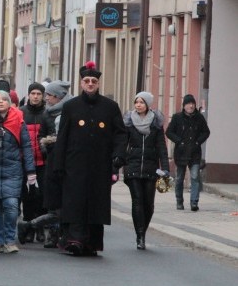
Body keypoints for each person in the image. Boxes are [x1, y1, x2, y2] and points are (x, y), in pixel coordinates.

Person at [52, 61, 127, 256]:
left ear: (99, 84)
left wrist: (118, 155)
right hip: (74, 164)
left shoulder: (110, 107)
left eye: (94, 81)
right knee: (75, 202)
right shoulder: (70, 106)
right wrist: (58, 164)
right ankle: (75, 240)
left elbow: (120, 134)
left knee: (96, 203)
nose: (91, 84)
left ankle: (92, 243)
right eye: (87, 81)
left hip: (100, 165)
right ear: (81, 84)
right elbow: (63, 137)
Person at [17, 80, 74, 249]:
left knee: (49, 200)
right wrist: (47, 145)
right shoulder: (45, 113)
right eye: (34, 93)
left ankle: (50, 233)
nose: (42, 98)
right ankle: (35, 228)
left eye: (44, 95)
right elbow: (41, 136)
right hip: (45, 160)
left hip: (58, 162)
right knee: (36, 198)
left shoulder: (68, 110)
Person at [0, 91, 35, 253]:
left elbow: (26, 147)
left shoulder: (18, 121)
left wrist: (30, 170)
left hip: (12, 170)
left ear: (9, 103)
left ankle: (10, 240)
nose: (1, 102)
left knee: (11, 205)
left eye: (4, 100)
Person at [120, 92, 169, 250]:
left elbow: (161, 146)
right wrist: (117, 162)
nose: (138, 105)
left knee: (149, 204)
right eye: (136, 102)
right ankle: (140, 235)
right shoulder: (129, 122)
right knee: (137, 201)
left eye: (141, 102)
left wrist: (166, 168)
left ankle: (143, 230)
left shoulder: (156, 123)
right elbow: (122, 144)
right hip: (132, 166)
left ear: (148, 104)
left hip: (151, 168)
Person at [166, 94, 210, 211]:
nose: (190, 106)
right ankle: (179, 201)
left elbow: (206, 132)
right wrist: (179, 141)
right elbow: (169, 132)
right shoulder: (177, 117)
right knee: (180, 178)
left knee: (195, 176)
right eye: (188, 104)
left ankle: (194, 202)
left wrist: (198, 142)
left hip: (195, 153)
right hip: (181, 152)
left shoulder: (199, 118)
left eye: (192, 104)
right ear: (184, 106)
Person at [18, 82, 49, 243]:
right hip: (26, 161)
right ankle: (29, 227)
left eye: (39, 94)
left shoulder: (47, 113)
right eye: (33, 93)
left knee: (43, 195)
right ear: (29, 95)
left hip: (43, 161)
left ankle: (40, 227)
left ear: (43, 95)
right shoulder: (21, 113)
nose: (36, 96)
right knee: (28, 196)